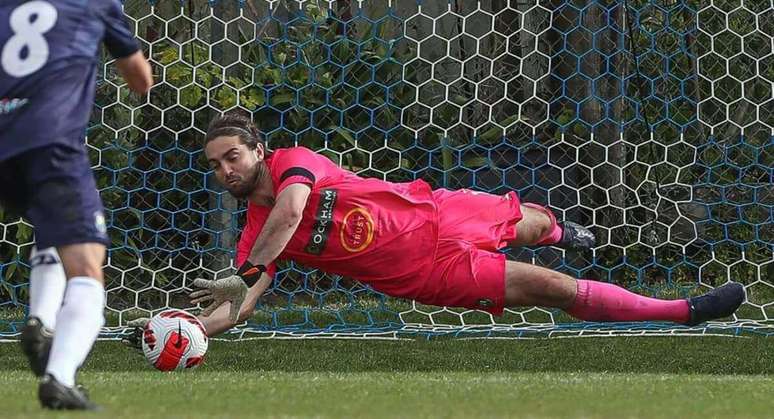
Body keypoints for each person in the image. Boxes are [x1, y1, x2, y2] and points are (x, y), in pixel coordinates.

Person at [124, 111, 744, 342]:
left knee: (530, 225)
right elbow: (243, 306)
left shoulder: (292, 165)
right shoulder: (252, 238)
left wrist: (248, 271)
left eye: (233, 156)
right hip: (429, 271)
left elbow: (290, 214)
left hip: (434, 211)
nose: (225, 169)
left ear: (257, 150)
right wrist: (181, 328)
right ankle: (683, 311)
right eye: (214, 165)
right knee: (550, 291)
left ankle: (561, 231)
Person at [0, 0, 152, 410]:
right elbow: (141, 80)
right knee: (87, 262)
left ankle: (39, 321)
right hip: (50, 143)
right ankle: (59, 376)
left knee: (52, 230)